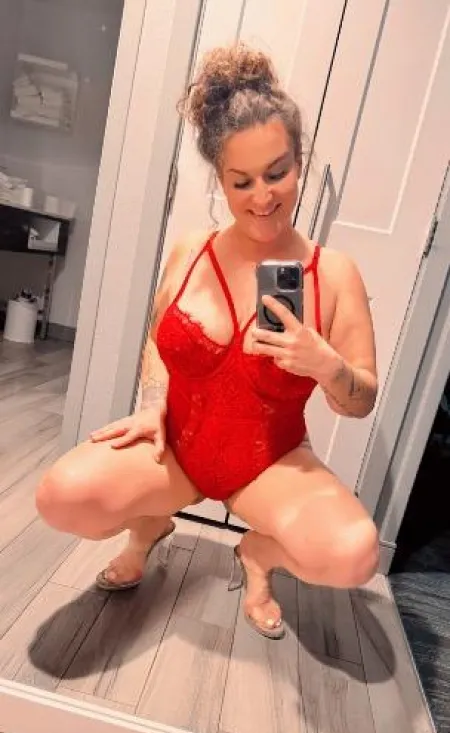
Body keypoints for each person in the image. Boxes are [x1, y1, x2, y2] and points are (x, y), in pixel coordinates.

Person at [36, 44, 379, 640]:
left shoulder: (335, 273)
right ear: (220, 180)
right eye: (241, 181)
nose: (263, 197)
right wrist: (153, 405)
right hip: (178, 448)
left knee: (354, 554)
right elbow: (158, 337)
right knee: (61, 497)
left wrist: (327, 366)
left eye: (277, 173)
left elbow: (362, 399)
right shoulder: (190, 251)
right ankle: (149, 526)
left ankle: (258, 555)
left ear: (300, 162)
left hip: (270, 463)